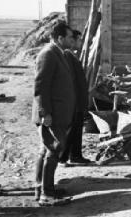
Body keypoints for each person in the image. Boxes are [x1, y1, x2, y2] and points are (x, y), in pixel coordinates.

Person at [32, 21, 76, 206]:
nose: (72, 40)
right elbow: (41, 87)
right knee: (53, 150)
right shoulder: (48, 54)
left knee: (46, 150)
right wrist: (45, 113)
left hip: (57, 113)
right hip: (52, 115)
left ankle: (41, 188)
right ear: (60, 38)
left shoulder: (58, 53)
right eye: (70, 37)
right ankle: (47, 196)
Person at [59, 29, 92, 165]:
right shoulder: (67, 55)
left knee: (77, 128)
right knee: (71, 129)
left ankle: (76, 155)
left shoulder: (72, 55)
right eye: (78, 40)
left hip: (78, 98)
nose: (81, 42)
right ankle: (62, 157)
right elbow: (71, 79)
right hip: (74, 99)